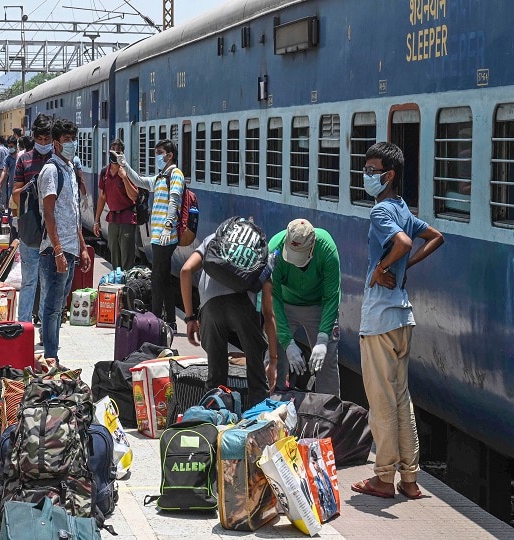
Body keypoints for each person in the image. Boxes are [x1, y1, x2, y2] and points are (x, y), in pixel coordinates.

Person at [352, 142, 444, 500]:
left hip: (380, 320)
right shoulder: (403, 207)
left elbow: (404, 243)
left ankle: (382, 478)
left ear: (388, 176)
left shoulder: (380, 212)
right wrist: (405, 267)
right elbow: (435, 237)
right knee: (402, 399)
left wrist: (382, 267)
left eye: (372, 170)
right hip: (404, 316)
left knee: (381, 401)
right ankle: (409, 479)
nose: (366, 175)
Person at [180, 228, 274, 407]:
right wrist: (274, 359)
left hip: (210, 306)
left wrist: (190, 318)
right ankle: (259, 419)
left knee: (215, 379)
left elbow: (185, 270)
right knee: (257, 380)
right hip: (244, 306)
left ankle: (214, 416)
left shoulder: (212, 238)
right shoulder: (260, 249)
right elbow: (269, 314)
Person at [268, 219, 342, 396]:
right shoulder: (274, 250)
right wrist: (287, 342)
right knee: (273, 356)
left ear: (312, 246)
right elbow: (272, 298)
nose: (294, 262)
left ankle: (329, 412)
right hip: (283, 306)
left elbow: (332, 296)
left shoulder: (327, 249)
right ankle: (270, 405)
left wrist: (323, 339)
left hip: (318, 306)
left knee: (327, 362)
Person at [38, 118, 91, 361]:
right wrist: (58, 251)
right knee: (52, 307)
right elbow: (49, 212)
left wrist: (82, 247)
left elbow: (73, 212)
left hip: (70, 249)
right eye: (66, 140)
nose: (71, 144)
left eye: (73, 139)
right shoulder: (52, 170)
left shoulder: (69, 169)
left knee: (60, 306)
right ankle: (51, 356)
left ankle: (52, 351)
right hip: (55, 251)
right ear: (56, 144)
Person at [116, 139, 183, 333]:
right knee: (164, 278)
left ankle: (156, 319)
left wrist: (168, 225)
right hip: (157, 235)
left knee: (157, 279)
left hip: (165, 235)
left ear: (169, 155)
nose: (157, 157)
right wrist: (124, 164)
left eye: (160, 153)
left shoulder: (175, 174)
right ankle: (169, 320)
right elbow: (140, 181)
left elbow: (174, 200)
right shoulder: (162, 177)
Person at [12, 113, 53, 323]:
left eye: (47, 139)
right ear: (34, 137)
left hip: (53, 231)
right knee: (29, 281)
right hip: (30, 229)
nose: (43, 143)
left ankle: (46, 330)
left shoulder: (58, 160)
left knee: (49, 284)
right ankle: (24, 326)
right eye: (39, 139)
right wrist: (32, 187)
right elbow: (15, 194)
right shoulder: (24, 160)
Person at [94, 139, 139, 271]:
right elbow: (102, 198)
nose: (115, 155)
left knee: (126, 256)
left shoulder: (128, 171)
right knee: (114, 254)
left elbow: (134, 196)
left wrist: (124, 178)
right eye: (113, 152)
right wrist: (96, 221)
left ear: (122, 154)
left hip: (127, 218)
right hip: (113, 219)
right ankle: (116, 283)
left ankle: (126, 287)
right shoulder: (104, 172)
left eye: (118, 152)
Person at [0, 136, 18, 209]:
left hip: (20, 185)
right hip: (11, 185)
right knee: (12, 207)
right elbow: (4, 171)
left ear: (16, 145)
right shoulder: (8, 158)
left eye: (11, 146)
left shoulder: (21, 156)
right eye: (8, 147)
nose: (10, 149)